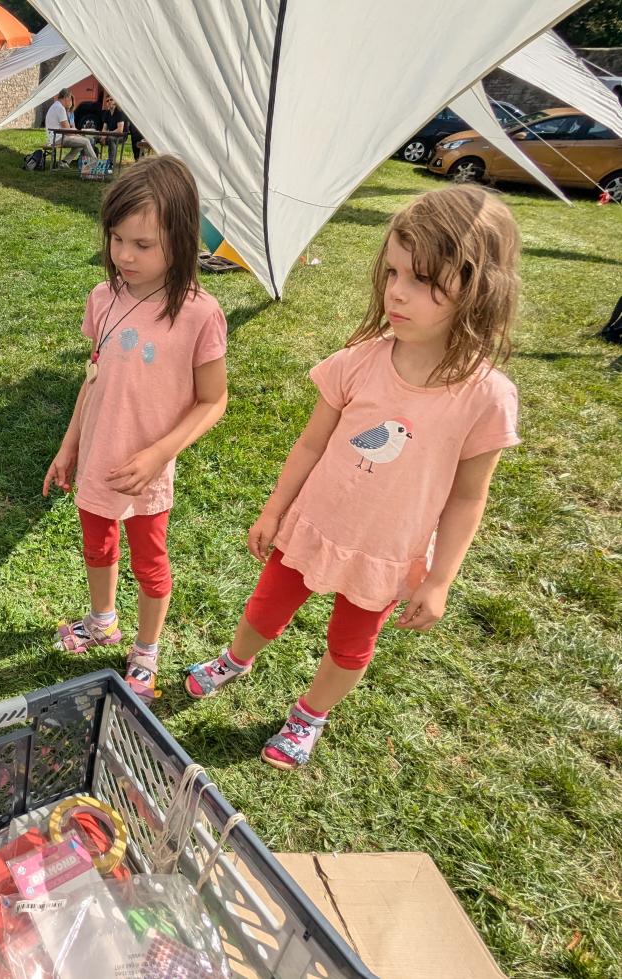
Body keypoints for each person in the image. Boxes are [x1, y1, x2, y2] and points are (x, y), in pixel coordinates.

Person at [184, 184, 522, 770]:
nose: (396, 292)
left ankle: (309, 715)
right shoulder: (361, 359)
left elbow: (468, 499)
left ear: (477, 286)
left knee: (350, 644)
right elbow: (312, 442)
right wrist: (274, 510)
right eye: (392, 272)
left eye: (421, 279)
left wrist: (439, 581)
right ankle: (235, 660)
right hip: (313, 524)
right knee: (264, 608)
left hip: (387, 550)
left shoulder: (487, 397)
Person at [44, 156, 229, 702]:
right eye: (116, 239)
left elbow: (213, 401)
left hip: (148, 473)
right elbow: (93, 379)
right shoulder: (103, 299)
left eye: (142, 244)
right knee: (97, 545)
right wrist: (68, 446)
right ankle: (103, 621)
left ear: (181, 238)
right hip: (98, 459)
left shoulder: (199, 314)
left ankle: (146, 649)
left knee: (151, 563)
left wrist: (158, 455)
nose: (124, 255)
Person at [44, 89, 98, 170]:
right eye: (69, 99)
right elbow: (68, 131)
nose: (70, 101)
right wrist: (78, 134)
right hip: (57, 138)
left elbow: (66, 129)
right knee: (86, 141)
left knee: (81, 142)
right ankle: (95, 163)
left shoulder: (55, 106)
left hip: (54, 137)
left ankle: (64, 162)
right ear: (66, 97)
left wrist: (77, 135)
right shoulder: (60, 108)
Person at [98, 95, 128, 168]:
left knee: (111, 139)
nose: (109, 102)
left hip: (121, 136)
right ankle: (92, 160)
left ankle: (111, 163)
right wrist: (103, 136)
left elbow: (120, 130)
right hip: (110, 134)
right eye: (107, 101)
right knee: (93, 137)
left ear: (115, 101)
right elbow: (104, 128)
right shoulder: (107, 113)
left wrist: (107, 135)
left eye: (111, 100)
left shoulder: (119, 112)